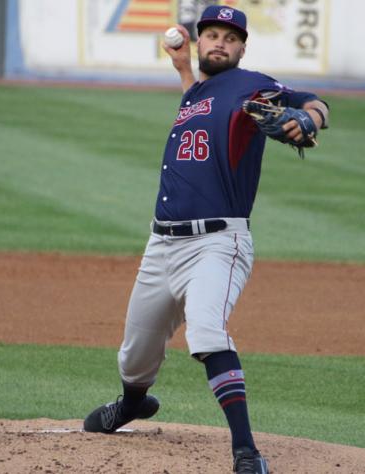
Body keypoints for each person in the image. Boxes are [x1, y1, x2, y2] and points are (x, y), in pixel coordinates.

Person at [84, 5, 329, 473]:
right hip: (162, 246)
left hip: (218, 243)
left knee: (206, 329)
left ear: (241, 48)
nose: (220, 42)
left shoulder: (249, 84)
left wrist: (311, 118)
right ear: (200, 43)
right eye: (211, 34)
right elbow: (200, 98)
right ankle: (132, 403)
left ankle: (246, 452)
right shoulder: (196, 93)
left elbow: (313, 100)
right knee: (134, 356)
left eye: (230, 37)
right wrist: (181, 69)